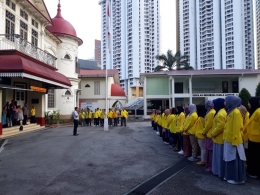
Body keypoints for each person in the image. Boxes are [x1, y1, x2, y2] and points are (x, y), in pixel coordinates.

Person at [223, 95, 246, 184]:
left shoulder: (236, 112)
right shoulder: (231, 111)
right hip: (229, 139)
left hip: (233, 141)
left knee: (234, 159)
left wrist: (235, 141)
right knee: (229, 159)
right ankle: (230, 176)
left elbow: (236, 128)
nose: (225, 103)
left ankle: (236, 178)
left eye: (226, 101)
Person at [211, 98, 226, 177]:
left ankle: (220, 171)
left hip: (219, 138)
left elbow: (220, 126)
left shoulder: (220, 113)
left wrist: (213, 133)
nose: (213, 106)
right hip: (218, 138)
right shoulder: (220, 112)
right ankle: (217, 170)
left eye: (214, 104)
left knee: (219, 157)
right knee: (217, 156)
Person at [246, 97, 260, 179]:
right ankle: (252, 171)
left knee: (256, 157)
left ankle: (255, 172)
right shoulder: (253, 111)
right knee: (252, 156)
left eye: (249, 103)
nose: (248, 104)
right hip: (252, 138)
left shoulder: (258, 112)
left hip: (257, 139)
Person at [202, 100, 216, 172]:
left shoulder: (210, 113)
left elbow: (208, 125)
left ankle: (210, 167)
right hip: (210, 134)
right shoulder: (212, 112)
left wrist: (203, 132)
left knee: (210, 152)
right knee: (210, 151)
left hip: (209, 134)